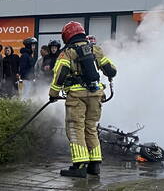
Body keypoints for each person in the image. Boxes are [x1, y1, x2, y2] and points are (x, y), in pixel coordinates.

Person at [49, 21, 118, 178]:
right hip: (96, 94)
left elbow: (60, 74)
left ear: (67, 36)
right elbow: (111, 70)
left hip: (77, 96)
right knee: (91, 127)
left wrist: (53, 93)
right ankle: (95, 165)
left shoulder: (67, 53)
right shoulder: (95, 49)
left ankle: (79, 166)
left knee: (75, 128)